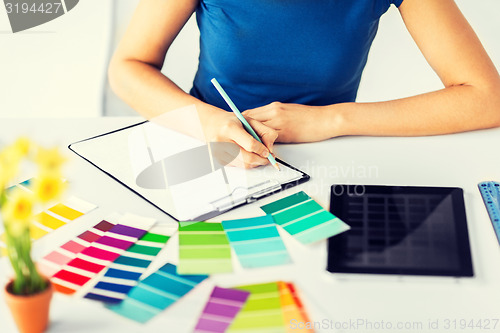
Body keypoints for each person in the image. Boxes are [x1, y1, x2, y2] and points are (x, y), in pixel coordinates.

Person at [108, 0, 500, 169]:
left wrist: (330, 120)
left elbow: (487, 99)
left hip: (330, 159)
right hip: (204, 146)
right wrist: (213, 124)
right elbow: (128, 67)